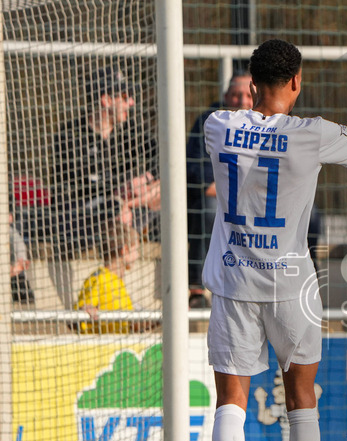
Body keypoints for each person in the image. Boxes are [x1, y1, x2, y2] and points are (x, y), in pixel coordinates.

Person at [202, 39, 347, 441]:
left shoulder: (218, 125)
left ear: (251, 83)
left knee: (231, 399)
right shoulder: (311, 134)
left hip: (234, 282)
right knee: (301, 398)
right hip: (292, 286)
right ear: (297, 82)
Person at [49, 66, 160, 310]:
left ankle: (179, 289)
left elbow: (160, 164)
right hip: (81, 214)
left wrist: (141, 185)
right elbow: (77, 188)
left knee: (164, 194)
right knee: (115, 208)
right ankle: (117, 299)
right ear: (106, 99)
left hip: (125, 207)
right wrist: (121, 190)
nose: (131, 103)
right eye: (124, 96)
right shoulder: (70, 135)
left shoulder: (130, 133)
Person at [186, 72, 254, 308]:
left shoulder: (271, 122)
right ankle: (196, 290)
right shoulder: (209, 122)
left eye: (247, 95)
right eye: (236, 95)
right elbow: (195, 168)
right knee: (208, 209)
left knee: (311, 216)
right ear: (226, 96)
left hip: (256, 200)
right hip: (218, 199)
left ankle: (306, 282)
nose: (242, 101)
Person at [75, 221, 147, 334]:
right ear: (125, 250)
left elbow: (135, 324)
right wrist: (86, 308)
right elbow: (81, 310)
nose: (138, 255)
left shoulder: (119, 283)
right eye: (136, 250)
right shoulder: (99, 278)